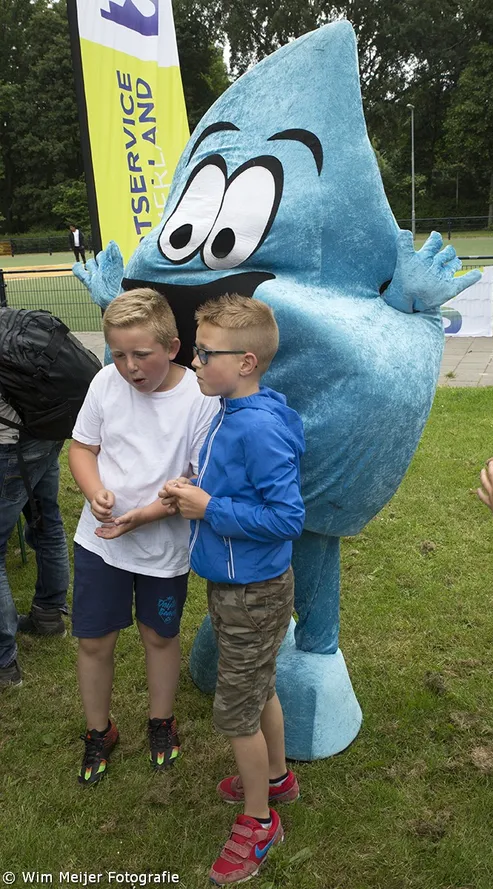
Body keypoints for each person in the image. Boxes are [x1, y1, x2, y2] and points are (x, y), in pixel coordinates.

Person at [161, 294, 305, 886]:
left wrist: (208, 506)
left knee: (237, 712)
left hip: (253, 590)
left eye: (205, 354)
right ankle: (278, 778)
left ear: (246, 362)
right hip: (235, 585)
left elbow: (287, 517)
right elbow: (237, 484)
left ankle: (258, 820)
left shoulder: (258, 426)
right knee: (258, 685)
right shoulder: (231, 408)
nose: (195, 363)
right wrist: (198, 486)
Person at [68, 288, 218, 787]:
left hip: (162, 548)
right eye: (119, 354)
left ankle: (161, 720)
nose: (129, 367)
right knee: (95, 640)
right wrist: (94, 493)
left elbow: (198, 480)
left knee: (159, 635)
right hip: (101, 543)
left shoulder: (199, 397)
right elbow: (83, 448)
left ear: (173, 347)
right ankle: (99, 730)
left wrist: (144, 516)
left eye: (141, 355)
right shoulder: (104, 383)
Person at [0, 394, 69, 689]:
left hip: (8, 443)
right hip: (46, 433)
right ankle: (49, 615)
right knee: (47, 524)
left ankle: (4, 662)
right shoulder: (23, 344)